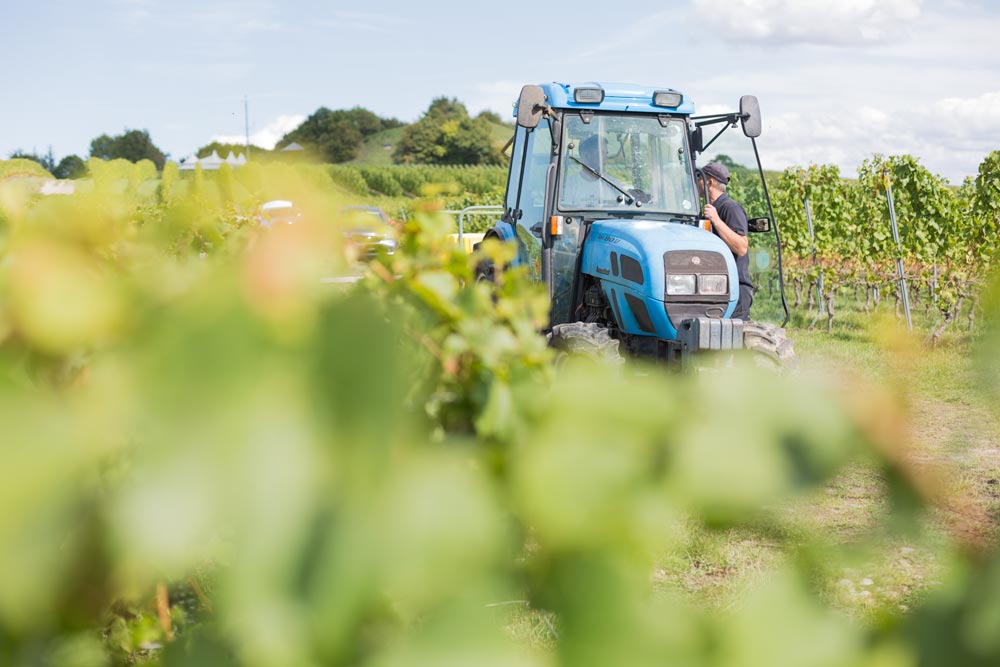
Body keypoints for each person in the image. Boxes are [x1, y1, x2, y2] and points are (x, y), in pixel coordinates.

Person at [698, 161, 753, 320]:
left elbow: (742, 247)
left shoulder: (730, 208)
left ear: (710, 182)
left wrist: (717, 220)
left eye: (699, 178)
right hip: (714, 288)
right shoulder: (709, 210)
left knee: (735, 342)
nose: (696, 183)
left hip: (735, 290)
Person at [561, 135, 616, 207]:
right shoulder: (569, 185)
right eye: (601, 153)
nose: (605, 158)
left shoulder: (615, 185)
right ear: (585, 156)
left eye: (606, 153)